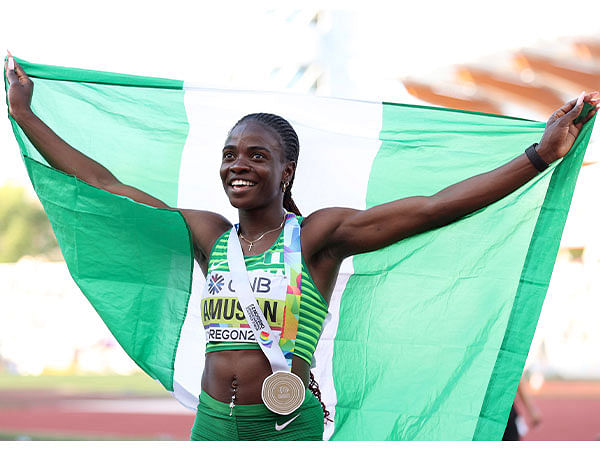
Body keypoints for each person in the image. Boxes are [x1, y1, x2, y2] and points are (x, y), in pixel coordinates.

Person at [4, 53, 599, 441]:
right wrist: (26, 117)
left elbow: (430, 208)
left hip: (286, 420)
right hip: (214, 423)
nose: (239, 165)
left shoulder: (319, 237)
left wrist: (537, 157)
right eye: (230, 154)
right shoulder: (208, 234)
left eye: (257, 156)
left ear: (286, 171)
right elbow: (107, 186)